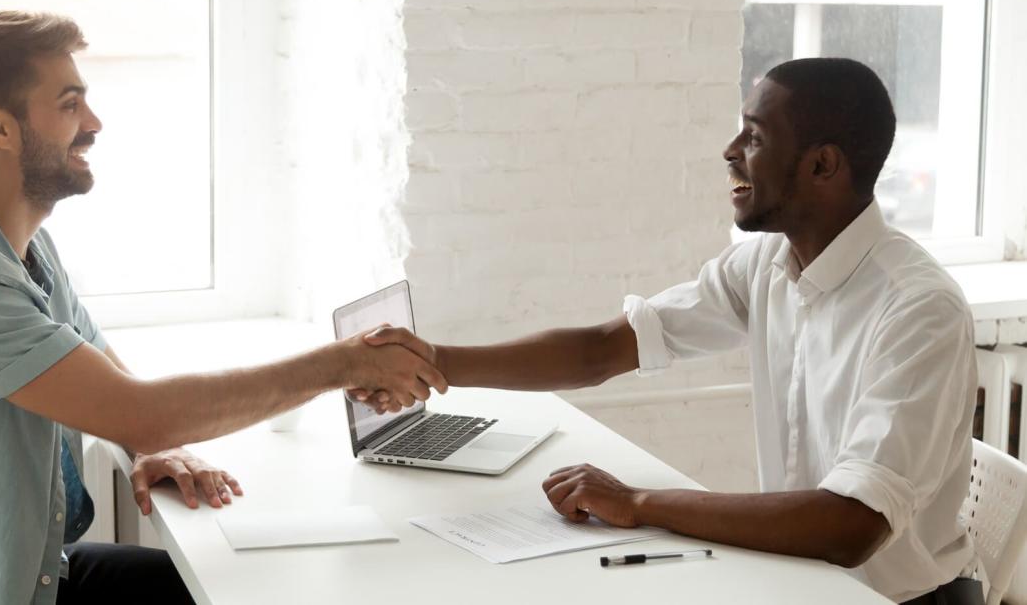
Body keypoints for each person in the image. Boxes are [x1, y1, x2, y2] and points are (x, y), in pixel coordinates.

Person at [0, 11, 445, 605]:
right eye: (69, 103)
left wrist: (143, 444)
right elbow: (144, 413)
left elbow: (117, 395)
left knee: (235, 589)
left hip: (24, 576)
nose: (94, 122)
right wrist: (339, 365)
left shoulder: (26, 250)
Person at [361, 59, 981, 604]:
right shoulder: (768, 265)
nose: (731, 150)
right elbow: (605, 348)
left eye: (756, 135)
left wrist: (638, 503)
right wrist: (433, 362)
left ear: (822, 164)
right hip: (799, 583)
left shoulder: (918, 311)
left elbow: (851, 526)